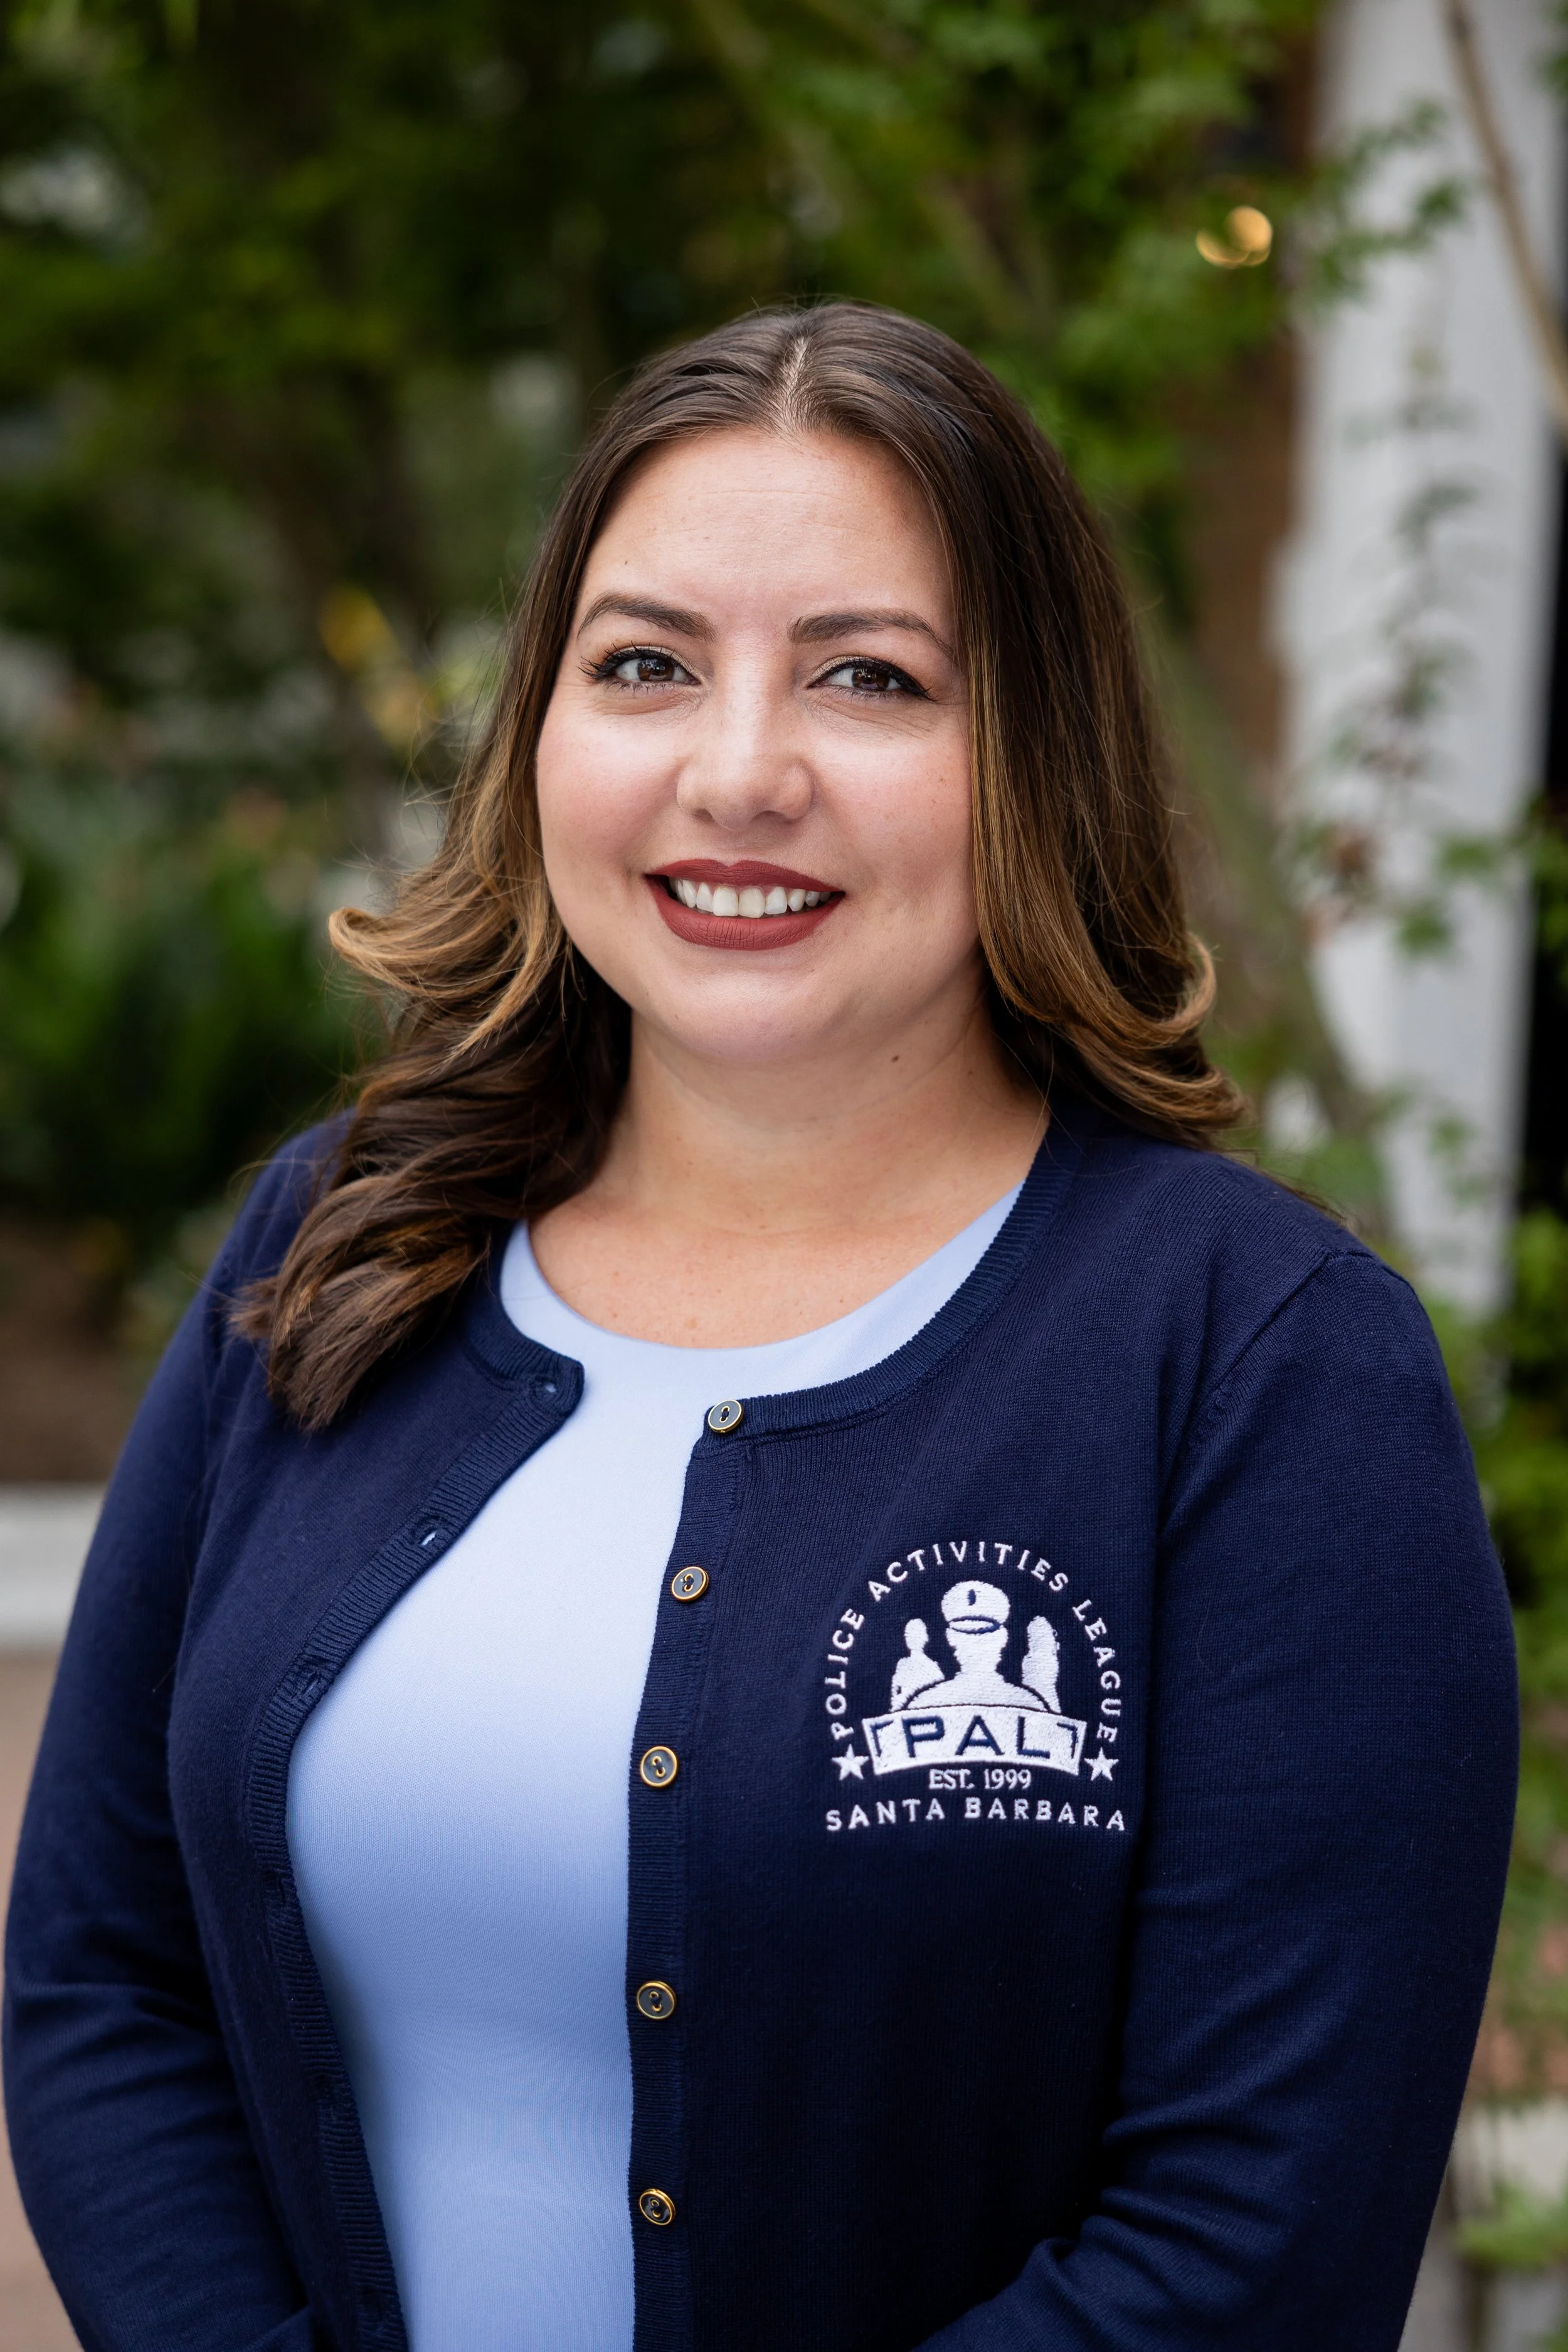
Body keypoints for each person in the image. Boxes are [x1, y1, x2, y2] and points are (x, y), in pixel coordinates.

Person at [3, 302, 1516, 2352]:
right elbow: (105, 1974)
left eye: (868, 678)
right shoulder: (342, 1237)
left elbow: (1253, 2237)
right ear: (540, 725)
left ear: (1031, 757)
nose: (737, 773)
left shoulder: (1258, 1365)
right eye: (642, 664)